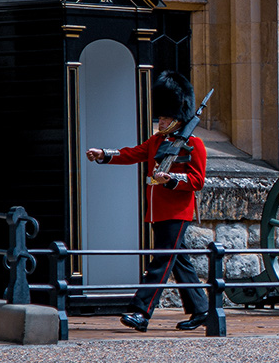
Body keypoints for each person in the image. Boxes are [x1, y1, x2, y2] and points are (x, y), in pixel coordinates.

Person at [86, 71, 210, 331]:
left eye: (165, 117)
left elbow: (197, 180)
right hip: (157, 211)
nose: (161, 121)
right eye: (161, 116)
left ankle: (140, 312)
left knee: (161, 261)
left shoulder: (193, 144)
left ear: (177, 117)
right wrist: (103, 155)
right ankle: (202, 310)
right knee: (180, 260)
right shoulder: (157, 142)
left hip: (177, 211)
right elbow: (132, 154)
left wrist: (172, 180)